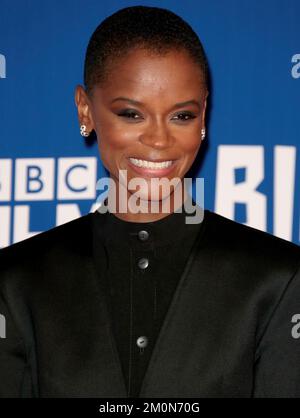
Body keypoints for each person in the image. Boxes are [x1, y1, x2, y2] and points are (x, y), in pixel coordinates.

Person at [0, 5, 300, 398]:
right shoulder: (17, 282)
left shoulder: (279, 280)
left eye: (181, 116)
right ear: (85, 110)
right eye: (131, 114)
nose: (159, 140)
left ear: (204, 115)